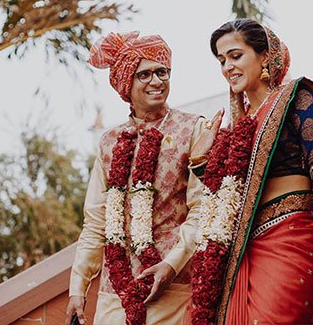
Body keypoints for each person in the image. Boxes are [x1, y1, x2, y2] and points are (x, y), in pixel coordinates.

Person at [188, 19, 313, 324]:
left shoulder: (298, 98)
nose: (227, 67)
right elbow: (226, 192)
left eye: (235, 56)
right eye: (221, 60)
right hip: (247, 249)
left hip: (290, 239)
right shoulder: (240, 123)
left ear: (264, 56)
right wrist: (200, 155)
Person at [64, 32, 215, 325]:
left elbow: (202, 209)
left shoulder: (193, 129)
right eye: (144, 74)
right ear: (125, 84)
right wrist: (77, 288)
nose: (157, 81)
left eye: (162, 72)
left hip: (173, 285)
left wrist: (171, 265)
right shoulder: (110, 141)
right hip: (115, 290)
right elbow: (96, 221)